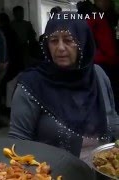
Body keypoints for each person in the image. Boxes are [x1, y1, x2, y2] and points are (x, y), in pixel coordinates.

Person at [8, 12, 119, 162]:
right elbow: (17, 143)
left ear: (84, 41)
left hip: (102, 170)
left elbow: (113, 118)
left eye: (69, 40)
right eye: (53, 41)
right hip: (53, 173)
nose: (60, 47)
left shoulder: (98, 75)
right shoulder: (32, 84)